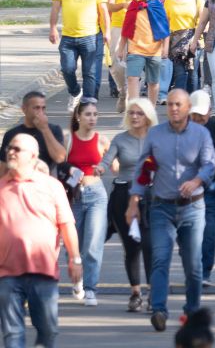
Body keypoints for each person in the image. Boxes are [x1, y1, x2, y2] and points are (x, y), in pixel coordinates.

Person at [126, 88, 215, 331]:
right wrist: (134, 200)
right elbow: (142, 171)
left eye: (178, 105)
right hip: (161, 207)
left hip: (192, 207)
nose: (174, 109)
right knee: (160, 259)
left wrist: (196, 181)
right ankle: (159, 310)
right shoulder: (155, 135)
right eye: (170, 105)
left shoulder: (201, 134)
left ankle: (192, 310)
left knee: (193, 264)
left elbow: (209, 165)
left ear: (187, 108)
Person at [0, 133, 81, 348]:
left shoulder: (51, 186)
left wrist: (75, 259)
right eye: (10, 148)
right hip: (6, 273)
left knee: (48, 329)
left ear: (33, 155)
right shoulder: (1, 187)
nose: (11, 152)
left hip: (43, 271)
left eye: (17, 149)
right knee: (12, 334)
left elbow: (66, 224)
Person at [100, 97, 156, 313]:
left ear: (148, 116)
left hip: (149, 195)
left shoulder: (156, 138)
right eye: (131, 113)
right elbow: (107, 160)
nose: (134, 117)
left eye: (139, 113)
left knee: (150, 245)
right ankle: (135, 293)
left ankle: (154, 292)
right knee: (131, 247)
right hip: (124, 194)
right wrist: (100, 168)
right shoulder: (120, 139)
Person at [64, 99, 109, 306]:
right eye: (88, 114)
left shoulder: (102, 140)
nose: (92, 118)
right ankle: (77, 280)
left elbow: (114, 165)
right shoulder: (69, 140)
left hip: (96, 194)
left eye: (95, 114)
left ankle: (91, 288)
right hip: (74, 197)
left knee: (92, 244)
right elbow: (60, 165)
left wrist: (105, 165)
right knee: (74, 245)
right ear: (78, 117)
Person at [186, 90, 215, 291]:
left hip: (210, 189)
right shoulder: (182, 128)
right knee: (188, 233)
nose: (198, 119)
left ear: (209, 111)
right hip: (187, 189)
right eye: (194, 114)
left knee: (209, 230)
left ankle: (204, 272)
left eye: (202, 115)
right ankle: (192, 269)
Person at [49, 0, 108, 107]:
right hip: (68, 37)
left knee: (90, 72)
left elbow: (103, 10)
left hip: (90, 36)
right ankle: (75, 92)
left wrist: (107, 32)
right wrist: (53, 28)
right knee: (67, 69)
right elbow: (55, 8)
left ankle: (87, 105)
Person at [116, 0, 169, 111]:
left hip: (154, 50)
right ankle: (134, 108)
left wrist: (165, 47)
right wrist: (121, 49)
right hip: (135, 49)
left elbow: (165, 28)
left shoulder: (157, 5)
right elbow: (126, 29)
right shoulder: (133, 6)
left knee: (153, 82)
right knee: (132, 78)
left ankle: (150, 109)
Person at [0, 91, 67, 178]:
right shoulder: (12, 134)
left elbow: (60, 158)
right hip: (18, 183)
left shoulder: (54, 130)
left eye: (43, 108)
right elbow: (4, 168)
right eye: (36, 108)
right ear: (24, 109)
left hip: (46, 183)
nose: (41, 112)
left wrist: (45, 129)